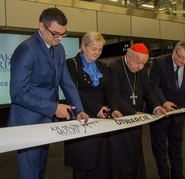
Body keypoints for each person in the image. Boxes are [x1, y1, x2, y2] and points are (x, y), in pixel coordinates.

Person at [8, 8, 89, 179]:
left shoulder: (58, 49)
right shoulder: (26, 50)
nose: (59, 38)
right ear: (41, 26)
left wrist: (79, 110)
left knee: (40, 170)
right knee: (30, 173)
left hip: (46, 122)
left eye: (63, 34)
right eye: (55, 34)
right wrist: (53, 108)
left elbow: (66, 81)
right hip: (27, 123)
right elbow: (18, 93)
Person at [64, 31, 122, 179]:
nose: (97, 53)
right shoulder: (72, 63)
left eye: (100, 49)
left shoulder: (102, 66)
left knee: (100, 159)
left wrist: (113, 109)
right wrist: (96, 108)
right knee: (83, 160)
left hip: (101, 117)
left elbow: (109, 91)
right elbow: (73, 91)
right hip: (82, 115)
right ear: (83, 46)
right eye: (93, 48)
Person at [107, 43, 167, 179]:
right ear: (128, 56)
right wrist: (133, 112)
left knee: (135, 152)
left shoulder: (141, 70)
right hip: (121, 119)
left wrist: (157, 107)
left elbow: (148, 90)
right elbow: (114, 96)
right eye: (138, 63)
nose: (140, 67)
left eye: (143, 64)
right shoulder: (114, 68)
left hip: (136, 119)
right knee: (122, 155)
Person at [149, 41, 185, 179]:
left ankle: (177, 174)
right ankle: (164, 174)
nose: (183, 61)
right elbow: (153, 86)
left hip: (178, 114)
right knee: (160, 147)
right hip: (160, 113)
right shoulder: (159, 62)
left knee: (176, 147)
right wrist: (163, 102)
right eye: (181, 57)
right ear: (174, 52)